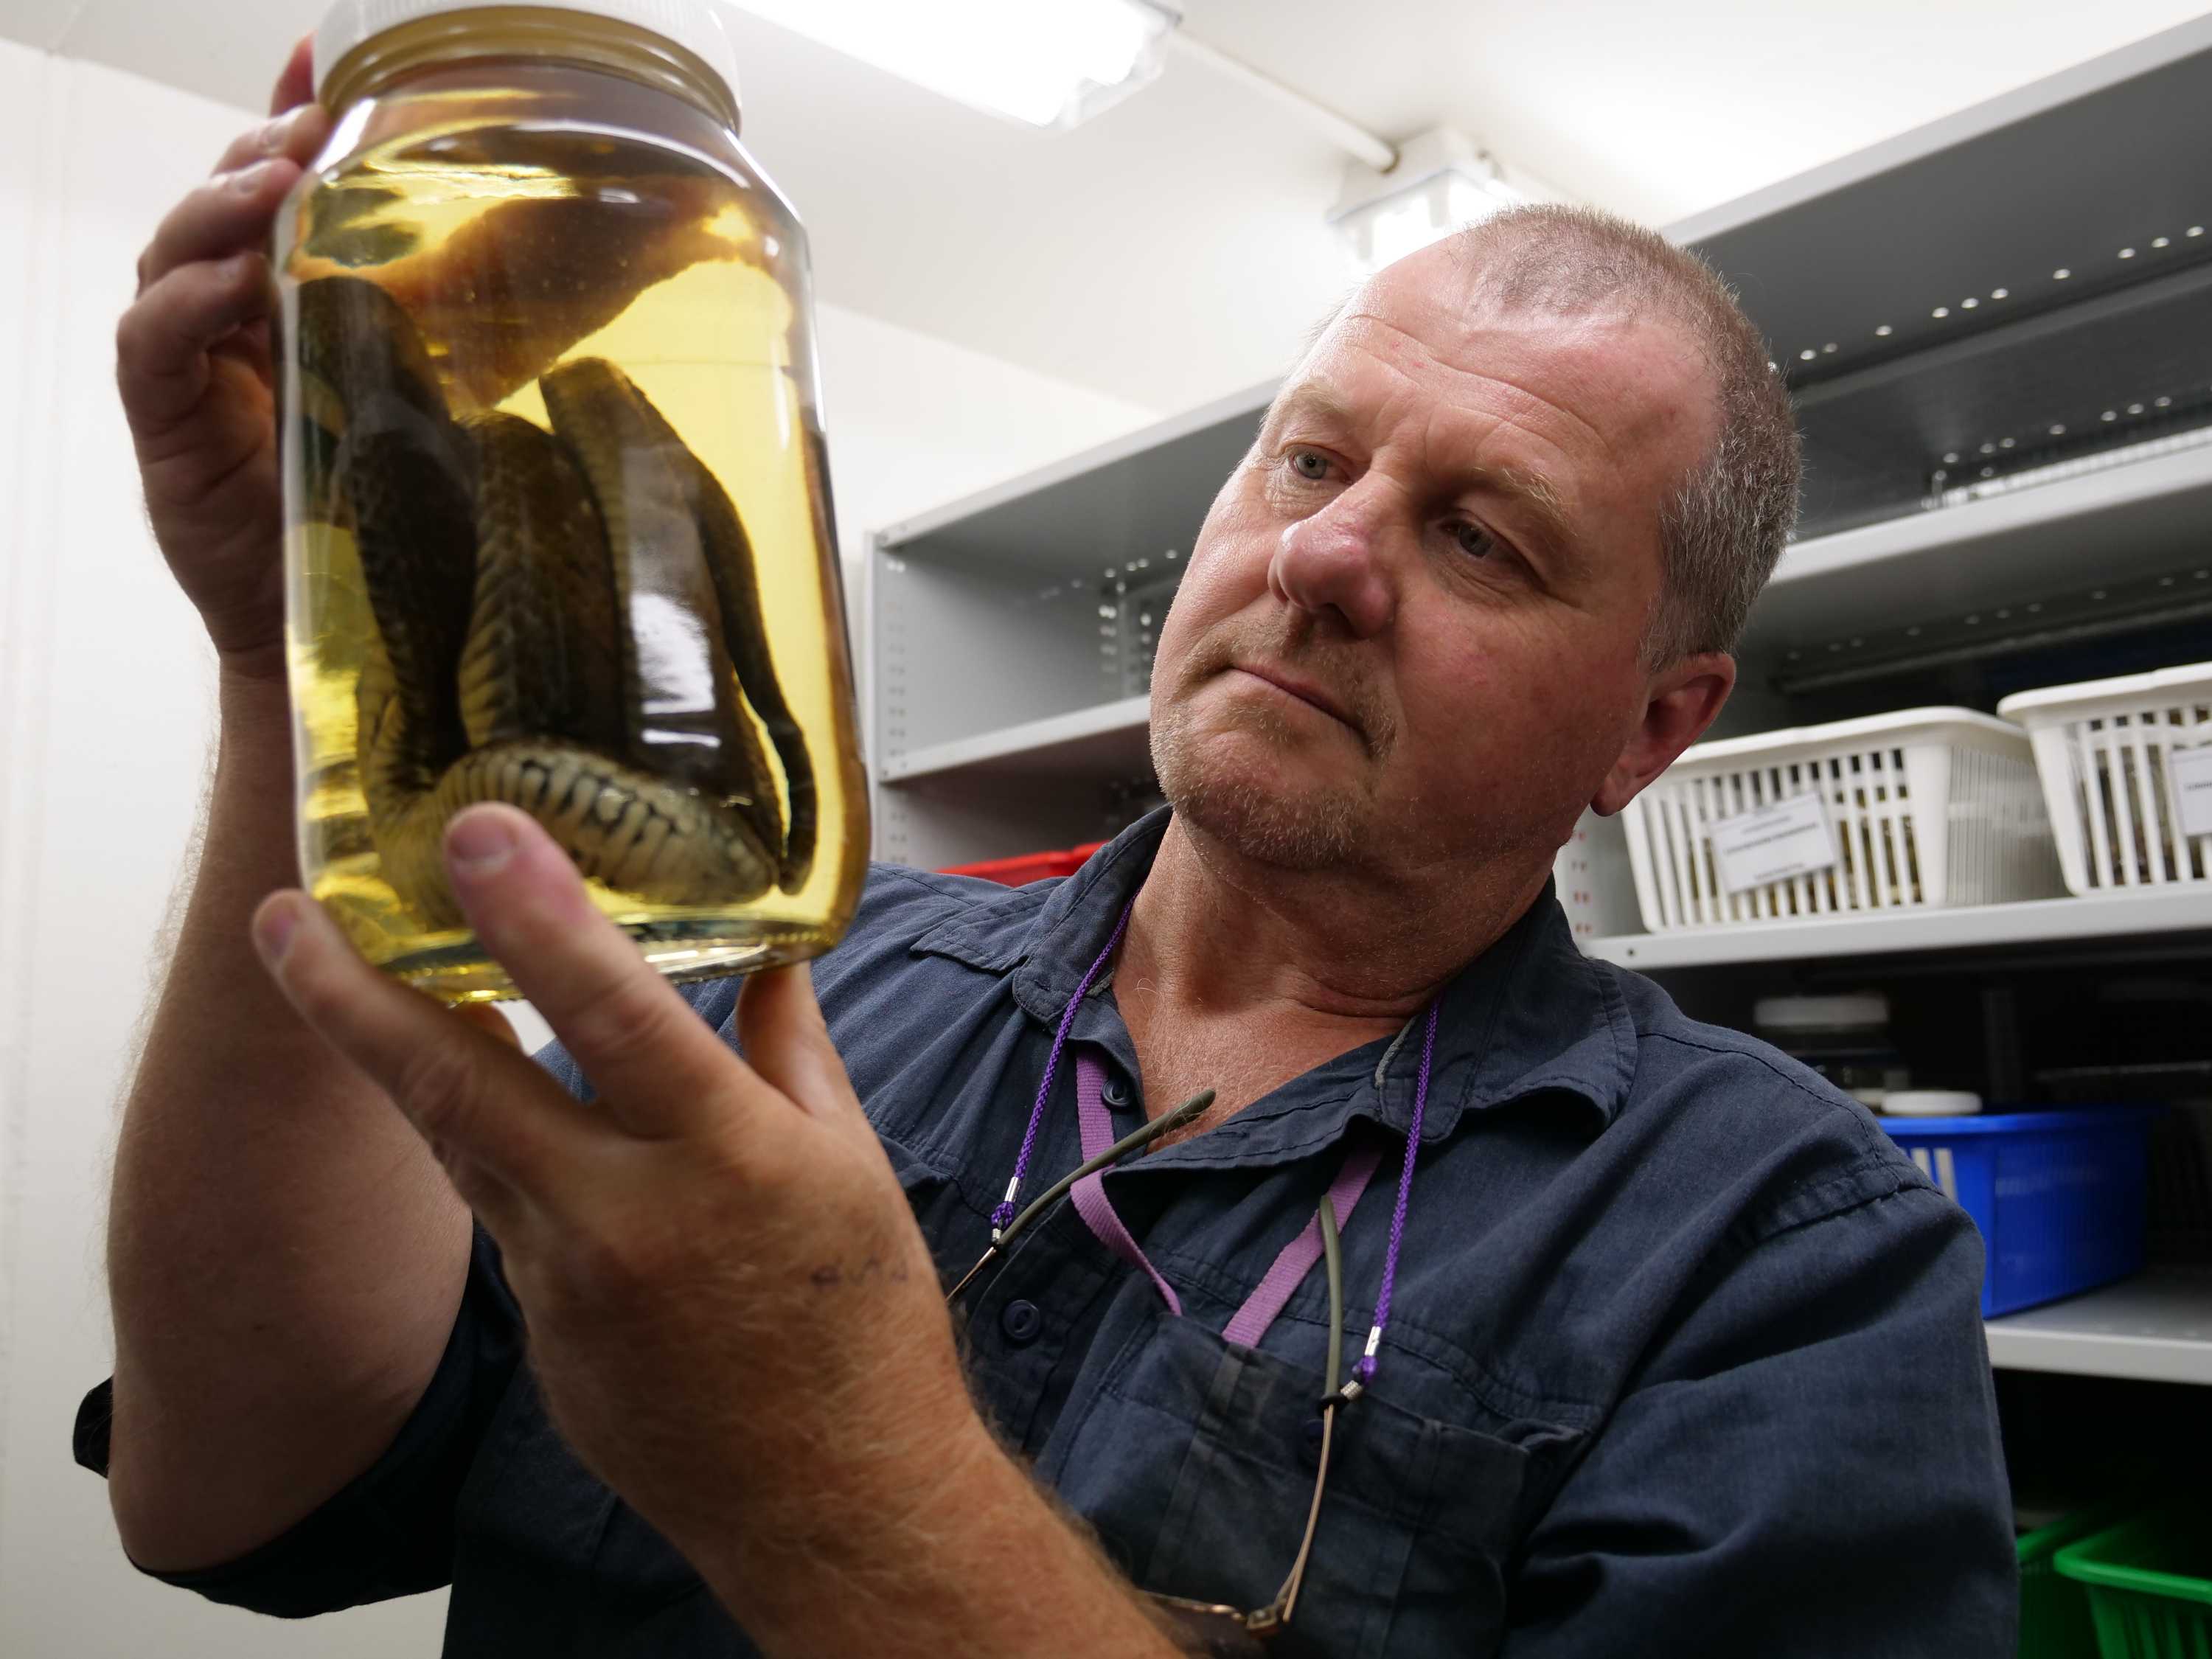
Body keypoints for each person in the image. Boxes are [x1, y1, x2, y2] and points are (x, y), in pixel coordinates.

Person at [78, 35, 2015, 1659]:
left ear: (1653, 725)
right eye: (1313, 459)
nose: (1325, 557)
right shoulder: (795, 977)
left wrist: (841, 1469)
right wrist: (290, 651)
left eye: (1484, 536)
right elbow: (238, 1481)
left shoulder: (1784, 1261)